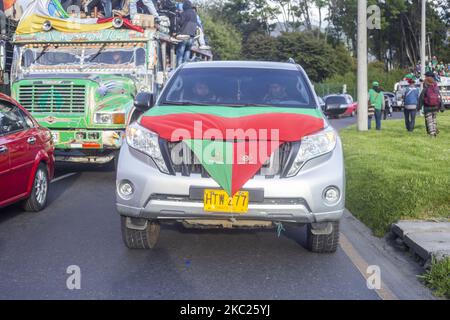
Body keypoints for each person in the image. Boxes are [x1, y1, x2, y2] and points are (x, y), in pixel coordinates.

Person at [419, 71, 444, 137]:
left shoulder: (426, 88)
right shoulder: (436, 87)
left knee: (429, 120)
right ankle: (434, 131)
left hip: (428, 106)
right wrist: (441, 106)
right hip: (436, 106)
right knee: (434, 119)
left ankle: (432, 134)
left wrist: (418, 107)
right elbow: (439, 97)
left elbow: (421, 98)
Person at [175, 0, 197, 67]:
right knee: (187, 52)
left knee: (180, 54)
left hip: (184, 35)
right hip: (192, 36)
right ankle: (185, 68)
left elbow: (180, 22)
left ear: (184, 6)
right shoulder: (194, 14)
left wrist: (178, 17)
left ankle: (178, 68)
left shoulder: (184, 13)